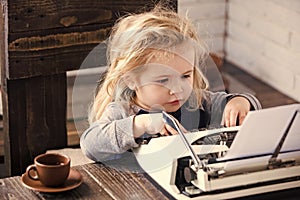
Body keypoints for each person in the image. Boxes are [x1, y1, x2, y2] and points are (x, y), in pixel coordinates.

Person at [80, 6, 261, 162]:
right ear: (131, 80)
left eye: (185, 76)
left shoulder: (197, 101)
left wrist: (240, 102)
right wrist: (141, 124)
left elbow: (249, 105)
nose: (177, 90)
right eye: (163, 80)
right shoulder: (123, 111)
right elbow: (90, 145)